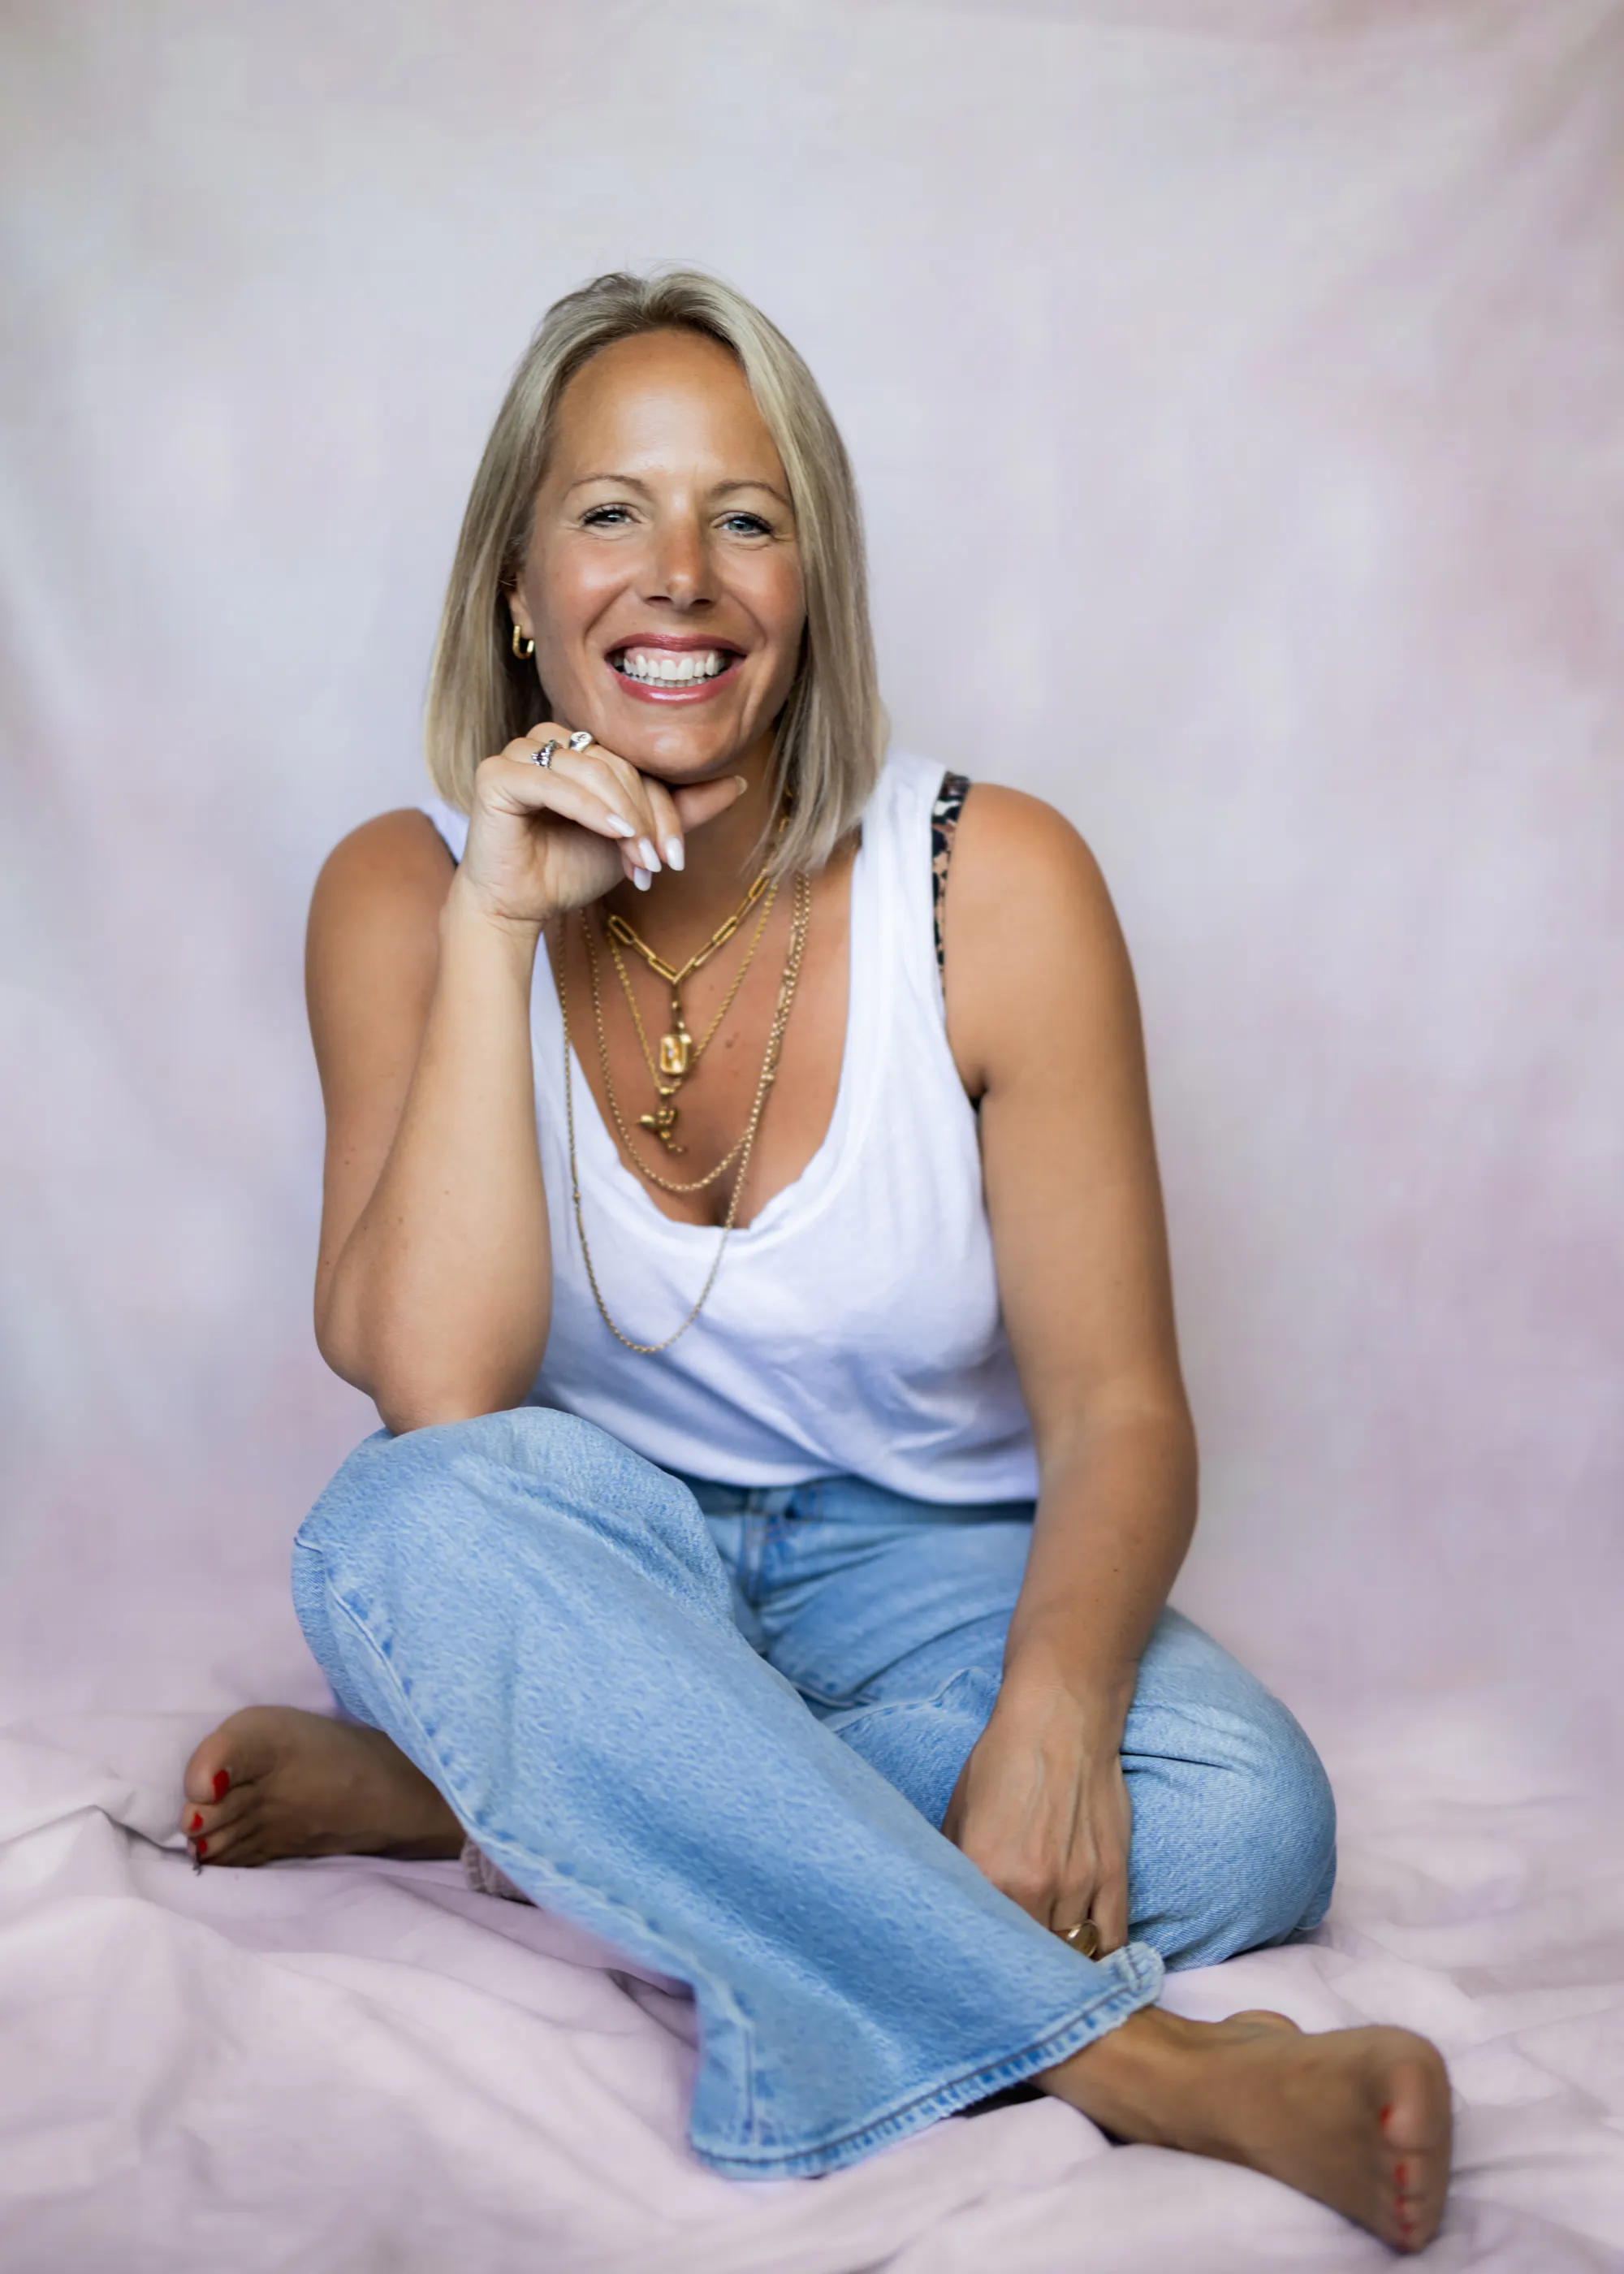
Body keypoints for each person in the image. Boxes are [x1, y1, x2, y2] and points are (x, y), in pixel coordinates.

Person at [179, 270, 1449, 2250]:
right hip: (580, 1552)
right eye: (610, 511)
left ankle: (488, 1794)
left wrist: (1044, 1707)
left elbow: (1120, 1404)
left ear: (808, 585)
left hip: (915, 1581)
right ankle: (1139, 2065)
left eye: (743, 517)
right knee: (403, 1528)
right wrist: (502, 923)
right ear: (519, 582)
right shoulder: (406, 892)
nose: (675, 576)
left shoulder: (991, 881)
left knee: (1248, 1807)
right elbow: (439, 1390)